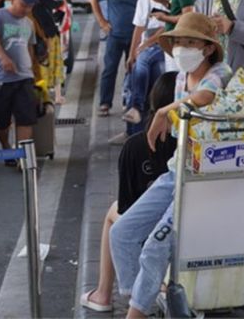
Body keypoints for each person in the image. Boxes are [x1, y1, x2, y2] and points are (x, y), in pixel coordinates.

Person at [109, 13, 232, 318]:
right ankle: (141, 300)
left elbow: (204, 97)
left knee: (154, 247)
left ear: (207, 48)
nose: (181, 49)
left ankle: (136, 313)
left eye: (190, 43)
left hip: (206, 179)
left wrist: (166, 109)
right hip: (177, 171)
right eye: (178, 42)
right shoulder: (179, 78)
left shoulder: (221, 72)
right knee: (122, 232)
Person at [80, 72, 178, 313]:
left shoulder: (136, 146)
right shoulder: (194, 144)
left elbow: (128, 209)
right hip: (189, 227)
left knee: (114, 215)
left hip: (159, 235)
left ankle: (106, 294)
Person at [0, 0, 39, 166]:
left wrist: (34, 73)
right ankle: (6, 147)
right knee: (2, 121)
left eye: (29, 6)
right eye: (23, 5)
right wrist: (3, 58)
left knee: (25, 118)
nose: (26, 9)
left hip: (24, 78)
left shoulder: (28, 23)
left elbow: (30, 47)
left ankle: (21, 154)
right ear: (12, 0)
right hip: (0, 79)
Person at [91, 0, 140, 117]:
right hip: (115, 35)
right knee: (109, 70)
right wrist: (102, 22)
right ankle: (105, 103)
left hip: (135, 36)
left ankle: (131, 101)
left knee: (133, 69)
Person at [123, 0, 170, 126]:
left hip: (165, 43)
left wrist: (145, 45)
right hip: (149, 46)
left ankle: (136, 106)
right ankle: (135, 123)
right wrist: (131, 54)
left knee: (143, 61)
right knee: (139, 66)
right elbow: (139, 27)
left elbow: (168, 27)